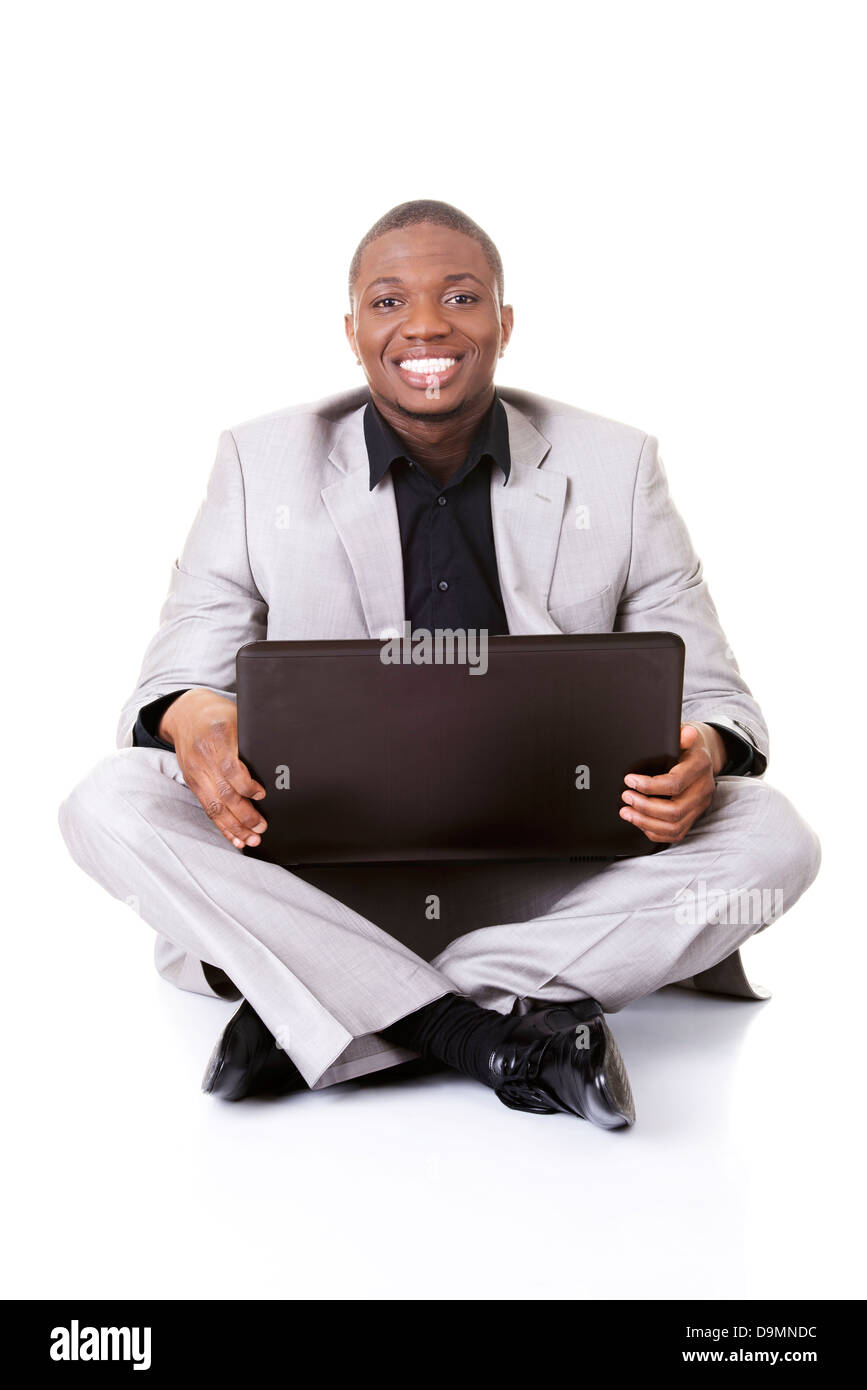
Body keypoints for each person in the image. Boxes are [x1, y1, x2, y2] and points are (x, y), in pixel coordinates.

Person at [58, 199, 821, 1129]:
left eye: (459, 297)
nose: (424, 324)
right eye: (389, 302)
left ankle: (333, 1004)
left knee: (772, 835)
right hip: (316, 868)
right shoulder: (259, 462)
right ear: (352, 331)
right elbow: (181, 663)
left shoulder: (616, 466)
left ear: (503, 323)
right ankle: (492, 1033)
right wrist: (194, 718)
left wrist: (704, 749)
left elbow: (712, 688)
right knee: (109, 799)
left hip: (555, 871)